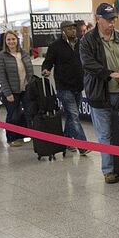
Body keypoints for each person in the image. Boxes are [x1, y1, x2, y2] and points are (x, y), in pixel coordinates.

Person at [80, 3, 119, 184]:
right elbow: (88, 64)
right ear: (98, 19)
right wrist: (110, 74)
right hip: (100, 95)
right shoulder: (88, 41)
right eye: (107, 20)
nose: (111, 23)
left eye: (113, 19)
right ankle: (109, 171)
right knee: (105, 135)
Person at [42, 20, 89, 155]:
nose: (73, 31)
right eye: (69, 29)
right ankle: (83, 145)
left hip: (78, 86)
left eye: (74, 29)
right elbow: (48, 62)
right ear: (63, 31)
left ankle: (66, 141)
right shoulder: (55, 46)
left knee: (70, 116)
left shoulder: (81, 44)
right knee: (74, 115)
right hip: (64, 87)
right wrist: (46, 69)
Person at [0, 31, 33, 148]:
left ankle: (24, 134)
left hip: (25, 89)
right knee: (13, 115)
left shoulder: (24, 53)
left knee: (28, 113)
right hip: (11, 91)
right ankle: (11, 138)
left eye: (13, 39)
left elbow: (30, 71)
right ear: (5, 42)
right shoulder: (1, 56)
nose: (11, 41)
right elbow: (1, 76)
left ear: (17, 40)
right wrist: (7, 92)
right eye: (8, 40)